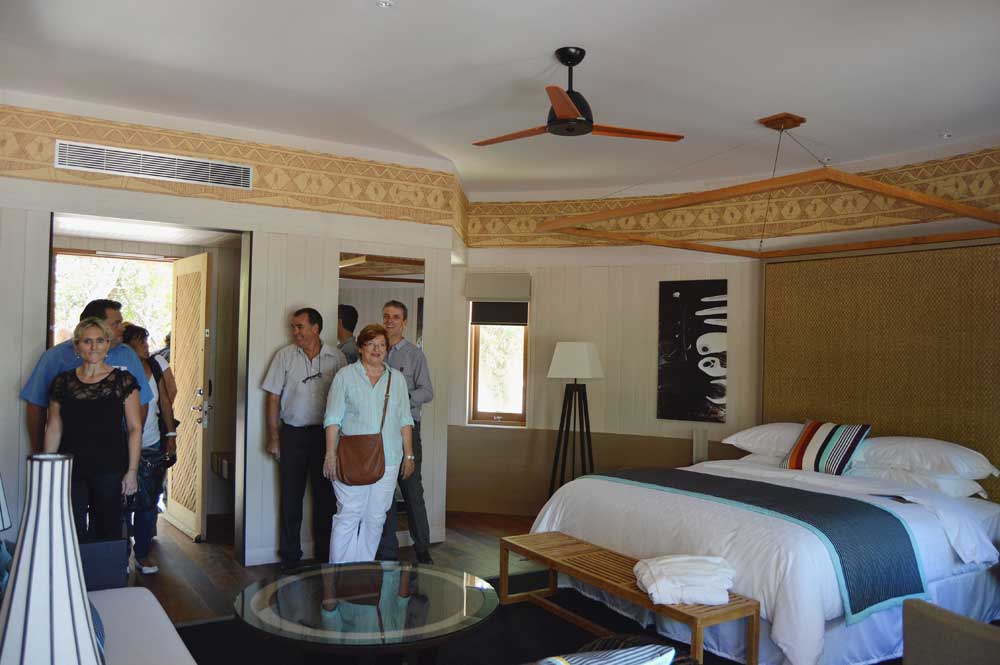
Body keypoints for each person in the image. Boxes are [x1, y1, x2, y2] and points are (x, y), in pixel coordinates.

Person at [43, 317, 143, 541]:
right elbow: (54, 426)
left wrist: (132, 471)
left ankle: (107, 566)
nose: (94, 346)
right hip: (70, 468)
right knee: (69, 532)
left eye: (100, 340)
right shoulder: (62, 382)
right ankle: (75, 567)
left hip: (110, 468)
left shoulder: (123, 380)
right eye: (87, 341)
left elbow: (135, 428)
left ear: (108, 344)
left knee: (108, 532)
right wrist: (47, 468)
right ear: (77, 346)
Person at [263, 308, 347, 569]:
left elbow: (346, 397)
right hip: (293, 435)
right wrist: (274, 437)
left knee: (325, 499)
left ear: (316, 328)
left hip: (326, 437)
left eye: (300, 326)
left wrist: (341, 441)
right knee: (291, 497)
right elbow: (273, 397)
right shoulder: (284, 356)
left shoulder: (337, 357)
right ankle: (290, 557)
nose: (295, 331)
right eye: (293, 327)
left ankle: (324, 555)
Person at [323, 324, 415, 564]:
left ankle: (361, 570)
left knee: (376, 517)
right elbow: (332, 419)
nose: (377, 349)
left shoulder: (396, 379)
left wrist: (409, 455)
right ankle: (340, 573)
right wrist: (330, 455)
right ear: (361, 348)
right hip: (351, 457)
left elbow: (405, 420)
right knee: (348, 515)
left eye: (382, 345)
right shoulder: (345, 376)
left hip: (390, 458)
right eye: (371, 344)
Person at [21, 299, 154, 453]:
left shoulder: (128, 355)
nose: (123, 328)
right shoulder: (55, 358)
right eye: (116, 324)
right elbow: (37, 405)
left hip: (115, 450)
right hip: (68, 449)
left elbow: (142, 403)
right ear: (95, 325)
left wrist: (132, 447)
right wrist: (39, 452)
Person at [377, 300, 434, 564]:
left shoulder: (414, 355)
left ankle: (422, 548)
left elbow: (427, 391)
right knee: (384, 490)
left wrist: (401, 399)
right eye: (386, 316)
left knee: (411, 491)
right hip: (379, 432)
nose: (390, 321)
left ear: (405, 322)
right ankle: (387, 551)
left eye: (396, 317)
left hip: (407, 429)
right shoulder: (374, 350)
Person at [123, 324, 177, 575]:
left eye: (146, 341)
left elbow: (165, 401)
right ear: (128, 346)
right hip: (123, 445)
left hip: (152, 443)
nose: (147, 346)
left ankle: (142, 553)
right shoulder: (120, 369)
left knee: (148, 502)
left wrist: (171, 434)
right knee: (123, 502)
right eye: (141, 342)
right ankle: (121, 555)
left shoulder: (154, 366)